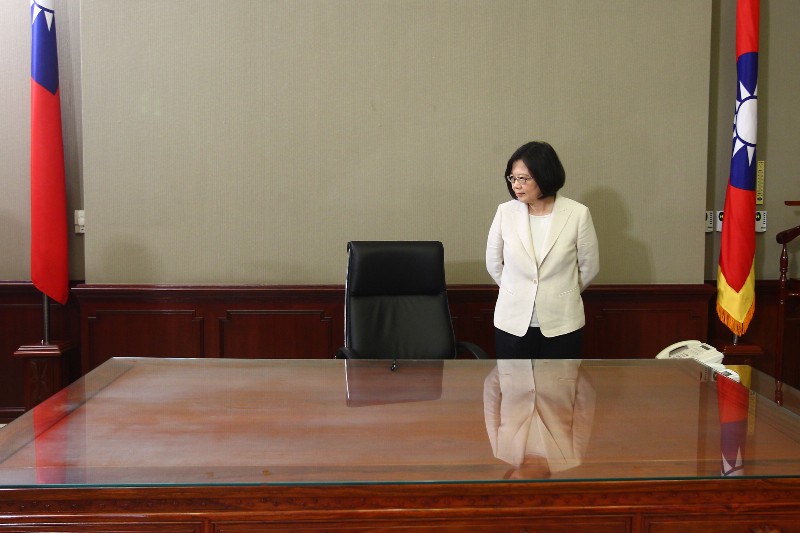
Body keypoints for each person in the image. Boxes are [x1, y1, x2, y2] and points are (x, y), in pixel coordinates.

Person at [486, 141, 599, 359]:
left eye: (523, 179)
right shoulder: (505, 213)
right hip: (512, 321)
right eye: (512, 178)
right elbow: (493, 263)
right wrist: (518, 289)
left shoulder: (577, 214)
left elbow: (590, 267)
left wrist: (561, 290)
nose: (516, 185)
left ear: (545, 176)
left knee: (560, 390)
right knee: (515, 389)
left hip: (563, 322)